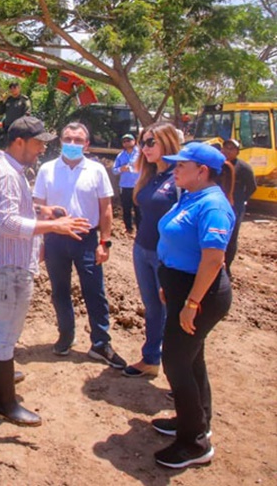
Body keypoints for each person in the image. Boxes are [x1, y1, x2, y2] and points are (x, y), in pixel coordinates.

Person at [0, 116, 91, 426]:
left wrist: (42, 210)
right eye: (38, 142)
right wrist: (55, 225)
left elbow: (16, 209)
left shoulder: (9, 170)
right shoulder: (5, 175)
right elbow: (9, 223)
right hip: (10, 265)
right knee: (6, 335)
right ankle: (4, 403)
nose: (43, 148)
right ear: (18, 142)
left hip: (3, 261)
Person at [151, 142, 235, 469]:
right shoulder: (191, 195)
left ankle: (194, 443)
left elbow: (213, 260)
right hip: (181, 288)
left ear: (202, 172)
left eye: (181, 166)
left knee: (175, 361)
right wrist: (169, 288)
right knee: (191, 356)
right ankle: (198, 419)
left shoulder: (213, 205)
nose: (174, 170)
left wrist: (191, 302)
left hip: (200, 295)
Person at [33, 122, 127, 368]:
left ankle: (100, 342)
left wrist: (104, 242)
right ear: (60, 141)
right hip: (54, 238)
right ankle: (66, 336)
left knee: (94, 291)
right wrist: (41, 241)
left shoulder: (96, 170)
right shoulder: (47, 169)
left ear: (86, 144)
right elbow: (38, 207)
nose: (72, 144)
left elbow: (106, 208)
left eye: (78, 140)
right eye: (68, 138)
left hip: (86, 239)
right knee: (59, 290)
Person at [122, 123, 182, 378]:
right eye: (142, 142)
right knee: (153, 308)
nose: (143, 148)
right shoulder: (148, 175)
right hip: (142, 250)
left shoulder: (179, 177)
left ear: (167, 142)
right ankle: (150, 359)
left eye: (150, 142)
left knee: (173, 313)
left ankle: (179, 373)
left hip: (166, 256)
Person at [220, 138, 257, 277]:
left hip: (235, 207)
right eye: (225, 148)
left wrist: (242, 200)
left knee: (231, 237)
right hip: (218, 204)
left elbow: (252, 187)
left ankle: (227, 267)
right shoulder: (218, 165)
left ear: (237, 152)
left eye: (231, 149)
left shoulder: (244, 168)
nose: (227, 151)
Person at [112, 133, 141, 234]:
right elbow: (114, 170)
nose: (126, 143)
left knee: (139, 209)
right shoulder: (120, 155)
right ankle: (128, 229)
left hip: (138, 185)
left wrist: (132, 168)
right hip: (125, 186)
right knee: (126, 208)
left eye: (129, 140)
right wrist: (121, 168)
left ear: (134, 141)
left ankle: (140, 230)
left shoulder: (141, 153)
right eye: (124, 141)